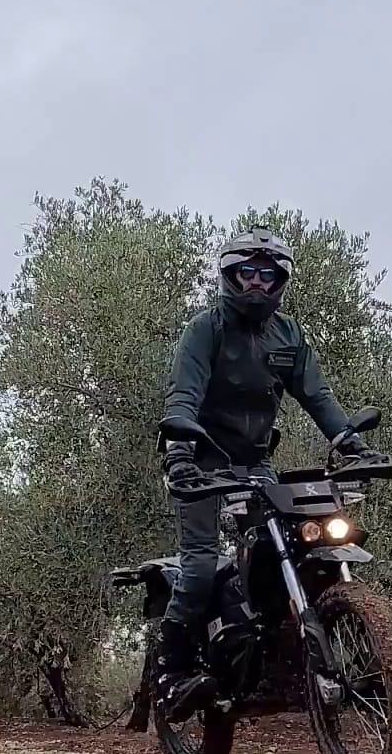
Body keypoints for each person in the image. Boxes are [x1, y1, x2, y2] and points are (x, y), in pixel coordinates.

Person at [154, 227, 374, 722]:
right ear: (230, 275)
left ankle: (268, 652)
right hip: (202, 462)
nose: (257, 282)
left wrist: (350, 442)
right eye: (247, 272)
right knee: (197, 567)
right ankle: (171, 674)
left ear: (281, 280)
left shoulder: (289, 336)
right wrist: (180, 453)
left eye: (267, 274)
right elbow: (183, 395)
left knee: (289, 548)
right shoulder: (204, 330)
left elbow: (317, 397)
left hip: (256, 463)